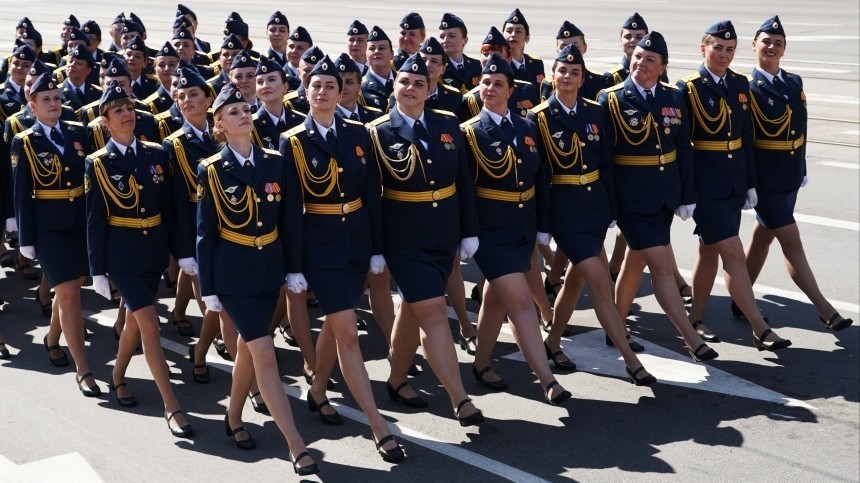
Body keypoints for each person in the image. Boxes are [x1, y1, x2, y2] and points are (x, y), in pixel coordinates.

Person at [280, 55, 406, 462]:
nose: (322, 92)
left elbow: (372, 194)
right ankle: (378, 426)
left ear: (342, 91)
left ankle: (317, 390)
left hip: (355, 243)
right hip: (320, 247)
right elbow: (292, 207)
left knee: (339, 324)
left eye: (330, 86)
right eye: (316, 86)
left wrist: (376, 249)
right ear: (306, 91)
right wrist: (294, 265)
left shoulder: (357, 133)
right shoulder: (293, 139)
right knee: (348, 332)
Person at [196, 82, 319, 475]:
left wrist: (295, 268)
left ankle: (233, 416)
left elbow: (290, 220)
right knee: (264, 353)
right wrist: (210, 289)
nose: (244, 115)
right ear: (219, 125)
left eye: (245, 109)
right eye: (233, 112)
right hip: (233, 278)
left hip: (269, 271)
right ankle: (296, 444)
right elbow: (206, 232)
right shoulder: (212, 169)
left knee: (250, 353)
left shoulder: (274, 161)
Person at [368, 53, 485, 426]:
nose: (411, 88)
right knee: (434, 313)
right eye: (404, 82)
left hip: (444, 235)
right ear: (394, 86)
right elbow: (372, 196)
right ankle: (460, 398)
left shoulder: (448, 124)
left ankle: (397, 380)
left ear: (431, 89)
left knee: (412, 311)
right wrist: (375, 249)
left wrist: (468, 231)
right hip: (404, 241)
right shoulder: (377, 132)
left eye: (420, 83)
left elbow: (464, 181)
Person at [529, 46, 657, 385]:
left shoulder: (595, 112)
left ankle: (553, 341)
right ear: (552, 75)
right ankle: (630, 361)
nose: (567, 77)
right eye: (562, 71)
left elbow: (607, 165)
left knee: (575, 281)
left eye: (574, 73)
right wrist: (542, 226)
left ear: (583, 79)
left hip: (596, 209)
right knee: (600, 282)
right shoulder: (538, 117)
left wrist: (612, 209)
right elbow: (539, 178)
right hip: (565, 213)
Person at [598, 32, 719, 363]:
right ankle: (691, 339)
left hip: (664, 196)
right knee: (663, 266)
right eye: (637, 56)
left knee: (635, 262)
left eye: (649, 59)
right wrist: (607, 203)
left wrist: (686, 194)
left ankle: (615, 326)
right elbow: (604, 159)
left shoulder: (673, 96)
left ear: (662, 66)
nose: (640, 63)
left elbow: (683, 149)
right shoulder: (611, 98)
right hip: (631, 199)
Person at [85, 80, 195, 437]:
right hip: (123, 254)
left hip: (154, 251)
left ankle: (117, 375)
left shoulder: (157, 154)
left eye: (130, 108)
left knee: (135, 319)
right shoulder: (98, 164)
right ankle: (172, 404)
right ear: (105, 122)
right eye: (118, 111)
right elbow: (95, 219)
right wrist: (97, 270)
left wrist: (182, 253)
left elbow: (173, 207)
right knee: (150, 324)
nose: (127, 115)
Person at [461, 53, 573, 404]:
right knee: (521, 303)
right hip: (491, 234)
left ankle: (480, 364)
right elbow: (464, 190)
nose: (490, 88)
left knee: (496, 300)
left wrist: (542, 226)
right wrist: (467, 233)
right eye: (485, 82)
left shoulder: (526, 128)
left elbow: (541, 179)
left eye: (498, 84)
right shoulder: (469, 133)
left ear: (511, 90)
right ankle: (547, 380)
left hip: (522, 230)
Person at [677, 20, 792, 351]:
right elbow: (683, 146)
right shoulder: (689, 87)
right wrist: (686, 195)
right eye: (717, 48)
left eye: (730, 49)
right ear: (703, 49)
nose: (724, 54)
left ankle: (696, 319)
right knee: (733, 253)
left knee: (708, 251)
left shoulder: (740, 84)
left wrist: (751, 184)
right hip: (705, 187)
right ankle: (759, 327)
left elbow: (746, 137)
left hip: (733, 184)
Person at [740, 15, 852, 332]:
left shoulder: (794, 82)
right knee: (792, 240)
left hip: (790, 178)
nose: (772, 47)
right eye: (766, 41)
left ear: (784, 48)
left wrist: (801, 167)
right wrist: (749, 183)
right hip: (766, 183)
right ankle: (825, 309)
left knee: (764, 238)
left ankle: (740, 297)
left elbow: (799, 129)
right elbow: (746, 141)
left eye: (778, 43)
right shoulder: (746, 89)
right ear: (754, 46)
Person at [10, 73, 101, 393]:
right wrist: (26, 239)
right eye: (46, 99)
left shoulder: (79, 132)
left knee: (70, 289)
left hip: (79, 224)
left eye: (57, 98)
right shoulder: (25, 141)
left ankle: (52, 338)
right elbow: (21, 193)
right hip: (49, 229)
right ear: (32, 105)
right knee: (69, 294)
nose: (54, 103)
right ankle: (84, 369)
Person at [438, 13, 481, 94]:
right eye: (442, 37)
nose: (445, 40)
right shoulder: (438, 67)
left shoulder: (477, 66)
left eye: (452, 36)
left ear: (465, 40)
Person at [502, 9, 544, 90]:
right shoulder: (500, 65)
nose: (513, 34)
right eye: (509, 31)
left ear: (527, 38)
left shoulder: (536, 64)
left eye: (518, 31)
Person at [361, 26, 395, 112]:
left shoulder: (403, 81)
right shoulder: (360, 88)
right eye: (372, 49)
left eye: (382, 48)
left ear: (392, 54)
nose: (376, 51)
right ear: (366, 55)